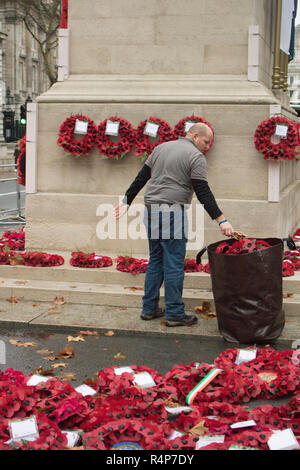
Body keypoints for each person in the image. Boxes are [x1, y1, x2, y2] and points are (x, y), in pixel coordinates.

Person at [114, 123, 235, 327]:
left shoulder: (160, 148)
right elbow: (203, 192)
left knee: (156, 260)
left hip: (151, 210)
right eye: (206, 141)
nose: (207, 146)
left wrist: (127, 200)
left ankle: (149, 308)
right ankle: (174, 313)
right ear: (195, 136)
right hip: (171, 213)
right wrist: (222, 220)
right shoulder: (196, 157)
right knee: (173, 264)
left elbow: (141, 178)